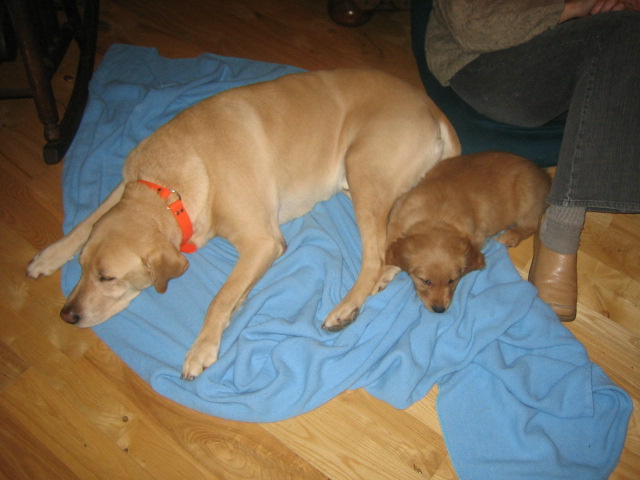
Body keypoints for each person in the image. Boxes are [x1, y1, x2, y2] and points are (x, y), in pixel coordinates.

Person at [424, 0, 640, 321]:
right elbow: (469, 25)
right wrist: (572, 8)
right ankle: (561, 232)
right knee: (628, 33)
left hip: (573, 52)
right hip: (485, 60)